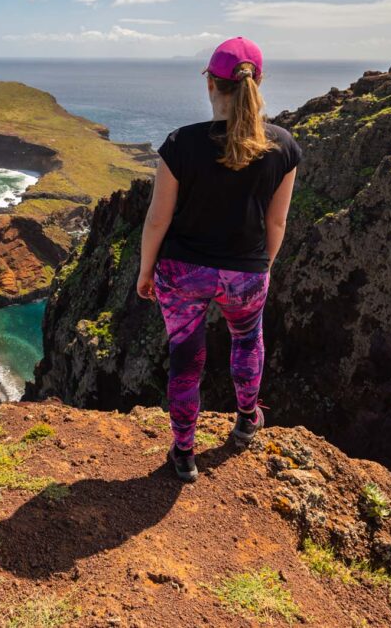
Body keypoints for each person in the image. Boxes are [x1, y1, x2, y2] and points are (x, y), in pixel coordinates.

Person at [136, 37, 301, 483]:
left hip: (181, 273)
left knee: (186, 358)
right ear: (258, 81)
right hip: (245, 272)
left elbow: (157, 220)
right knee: (247, 342)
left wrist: (145, 270)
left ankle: (185, 453)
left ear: (211, 83)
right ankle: (247, 420)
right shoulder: (283, 146)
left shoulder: (180, 144)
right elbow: (277, 223)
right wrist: (262, 267)